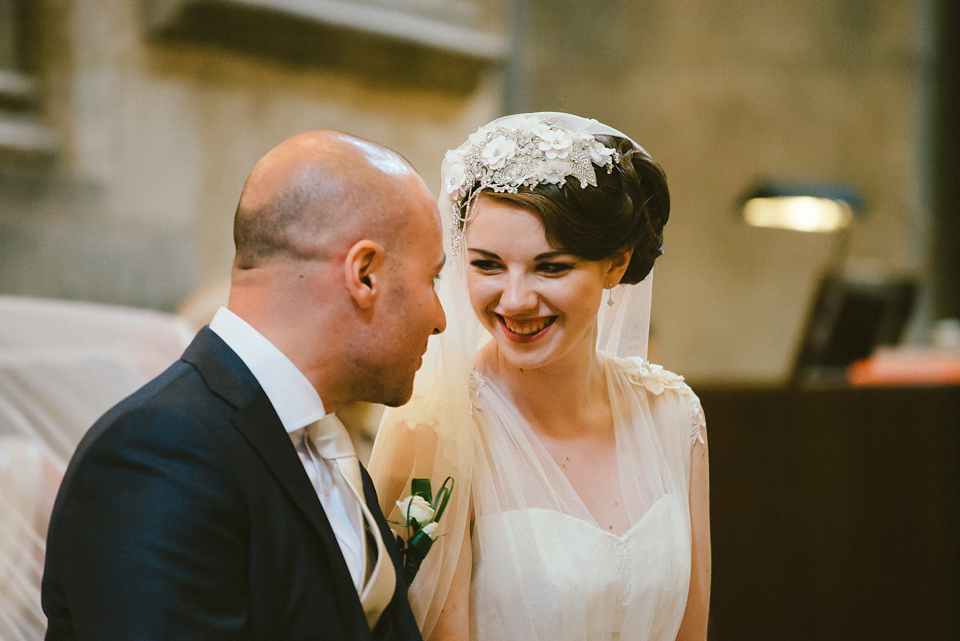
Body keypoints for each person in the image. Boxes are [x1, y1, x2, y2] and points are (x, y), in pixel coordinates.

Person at [41, 130, 446, 640]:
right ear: (364, 275)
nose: (440, 318)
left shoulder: (325, 447)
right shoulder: (159, 453)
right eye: (432, 279)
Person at [369, 112, 710, 641]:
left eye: (551, 267)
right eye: (487, 265)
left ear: (616, 266)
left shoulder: (674, 414)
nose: (515, 300)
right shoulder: (438, 429)